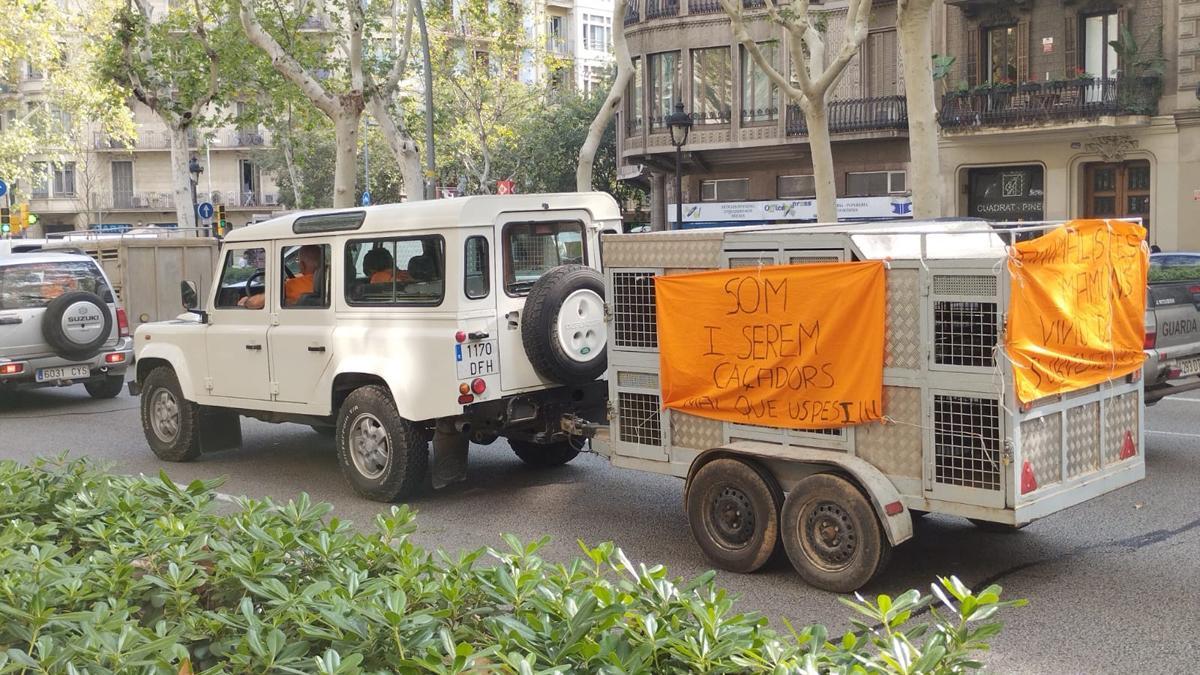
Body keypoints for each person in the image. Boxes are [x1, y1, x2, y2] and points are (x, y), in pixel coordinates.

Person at [238, 244, 321, 309]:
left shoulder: (290, 285)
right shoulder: (327, 281)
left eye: (298, 261)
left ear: (302, 265)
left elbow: (256, 303)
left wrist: (246, 301)